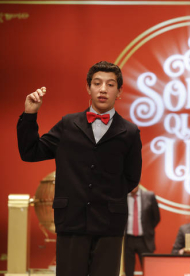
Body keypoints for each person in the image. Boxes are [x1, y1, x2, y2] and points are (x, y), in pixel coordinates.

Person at [17, 61, 142, 276]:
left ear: (119, 91)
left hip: (109, 224)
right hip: (71, 221)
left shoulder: (129, 132)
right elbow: (31, 152)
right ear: (88, 88)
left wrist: (107, 197)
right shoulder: (68, 124)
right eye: (97, 83)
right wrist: (30, 115)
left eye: (110, 85)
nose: (103, 89)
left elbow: (132, 178)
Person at [124, 185, 160, 276]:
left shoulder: (149, 196)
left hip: (144, 239)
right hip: (127, 240)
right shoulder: (122, 197)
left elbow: (156, 218)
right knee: (128, 270)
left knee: (148, 270)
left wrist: (148, 229)